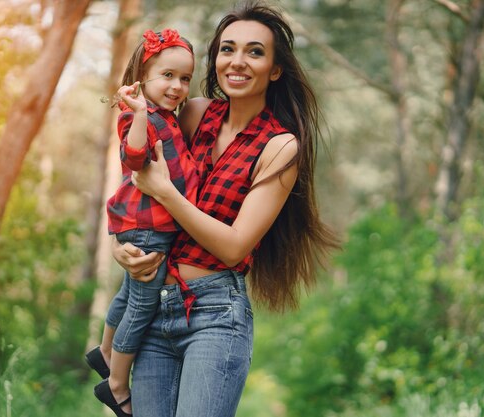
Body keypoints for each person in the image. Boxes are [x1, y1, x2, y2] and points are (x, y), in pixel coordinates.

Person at [111, 1, 340, 416]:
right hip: (156, 303)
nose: (237, 61)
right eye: (227, 49)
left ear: (275, 68)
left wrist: (168, 194)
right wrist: (119, 246)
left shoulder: (280, 147)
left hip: (216, 316)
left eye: (255, 51)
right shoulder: (195, 113)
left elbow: (234, 247)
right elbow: (140, 176)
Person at [85, 28, 198, 417]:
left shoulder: (163, 116)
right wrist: (136, 113)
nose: (178, 86)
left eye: (185, 78)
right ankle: (116, 384)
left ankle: (104, 350)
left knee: (127, 295)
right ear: (143, 75)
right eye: (167, 76)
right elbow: (134, 159)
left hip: (144, 223)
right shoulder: (141, 117)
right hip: (149, 226)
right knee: (143, 306)